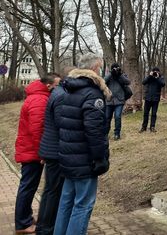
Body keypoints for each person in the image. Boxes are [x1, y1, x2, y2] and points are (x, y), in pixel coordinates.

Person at [53, 53, 110, 235]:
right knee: (83, 205)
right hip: (84, 160)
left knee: (66, 202)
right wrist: (99, 158)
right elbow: (94, 131)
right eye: (100, 67)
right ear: (94, 69)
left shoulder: (69, 90)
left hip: (68, 156)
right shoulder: (92, 93)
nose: (101, 71)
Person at [14, 73, 61, 235]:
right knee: (28, 186)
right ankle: (22, 224)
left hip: (29, 149)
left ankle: (25, 218)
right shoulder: (40, 100)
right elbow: (38, 129)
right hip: (32, 152)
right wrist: (43, 153)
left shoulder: (38, 96)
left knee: (28, 186)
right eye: (57, 84)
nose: (59, 87)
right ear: (49, 85)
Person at [36, 70, 69, 235]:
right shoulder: (61, 95)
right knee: (53, 191)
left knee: (50, 190)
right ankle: (47, 228)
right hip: (55, 150)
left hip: (50, 149)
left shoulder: (56, 93)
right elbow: (60, 124)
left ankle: (43, 226)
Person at [104, 63, 133, 140]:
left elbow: (128, 82)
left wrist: (119, 74)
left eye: (117, 68)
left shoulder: (122, 75)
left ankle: (117, 134)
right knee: (107, 118)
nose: (116, 70)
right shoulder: (109, 75)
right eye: (114, 68)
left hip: (119, 100)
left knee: (117, 117)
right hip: (109, 100)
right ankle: (105, 134)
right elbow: (103, 81)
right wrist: (111, 73)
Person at [140, 66, 165, 133]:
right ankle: (144, 127)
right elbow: (143, 82)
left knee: (154, 113)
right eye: (154, 71)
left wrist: (157, 78)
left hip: (155, 99)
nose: (155, 73)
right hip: (148, 98)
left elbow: (163, 84)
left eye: (157, 72)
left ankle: (152, 127)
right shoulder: (149, 77)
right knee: (145, 113)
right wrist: (149, 76)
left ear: (159, 72)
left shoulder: (160, 77)